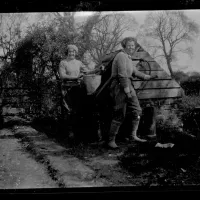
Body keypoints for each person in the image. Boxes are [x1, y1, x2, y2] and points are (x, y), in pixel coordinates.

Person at [107, 37, 157, 149]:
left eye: (133, 46)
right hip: (119, 87)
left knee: (137, 111)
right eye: (129, 45)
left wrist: (147, 77)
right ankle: (111, 140)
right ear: (124, 45)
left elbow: (134, 72)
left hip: (128, 85)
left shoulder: (128, 58)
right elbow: (122, 75)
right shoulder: (120, 56)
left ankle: (133, 135)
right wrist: (127, 91)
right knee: (120, 113)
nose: (131, 47)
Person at [58, 44, 87, 140]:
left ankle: (78, 132)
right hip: (67, 88)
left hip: (77, 88)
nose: (72, 53)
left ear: (76, 53)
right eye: (70, 51)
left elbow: (87, 71)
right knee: (68, 110)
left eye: (73, 52)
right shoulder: (63, 62)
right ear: (67, 52)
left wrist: (98, 69)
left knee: (78, 109)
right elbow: (62, 76)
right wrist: (75, 77)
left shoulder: (79, 63)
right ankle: (68, 132)